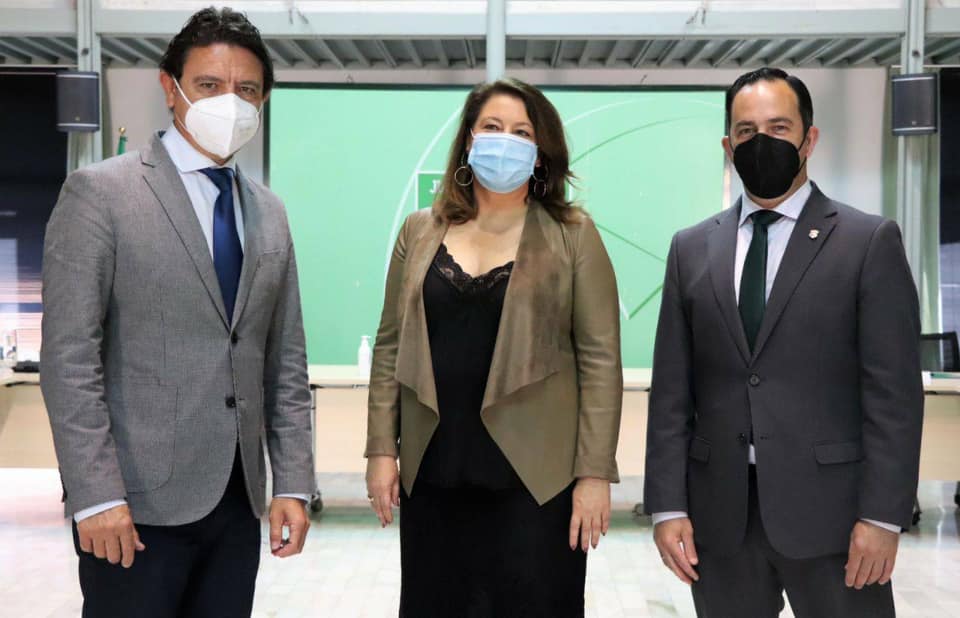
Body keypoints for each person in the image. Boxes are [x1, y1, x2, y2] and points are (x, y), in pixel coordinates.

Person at [40, 8, 315, 617]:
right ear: (171, 88)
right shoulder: (101, 194)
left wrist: (293, 482)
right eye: (209, 85)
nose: (230, 102)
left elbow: (284, 363)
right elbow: (69, 360)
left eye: (247, 90)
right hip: (133, 509)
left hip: (237, 504)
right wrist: (94, 495)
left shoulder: (269, 212)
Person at [643, 67, 924, 617]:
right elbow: (672, 391)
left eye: (778, 127)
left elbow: (893, 395)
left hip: (836, 519)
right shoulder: (692, 248)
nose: (761, 142)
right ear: (728, 147)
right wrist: (667, 506)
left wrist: (882, 516)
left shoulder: (868, 242)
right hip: (720, 518)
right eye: (746, 132)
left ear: (809, 139)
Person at [364, 78, 623, 617]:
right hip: (433, 473)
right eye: (492, 127)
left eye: (522, 132)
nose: (505, 140)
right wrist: (382, 450)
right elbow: (389, 346)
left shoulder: (573, 234)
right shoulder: (419, 231)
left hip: (536, 482)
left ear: (540, 151)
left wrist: (594, 473)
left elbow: (600, 361)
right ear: (469, 140)